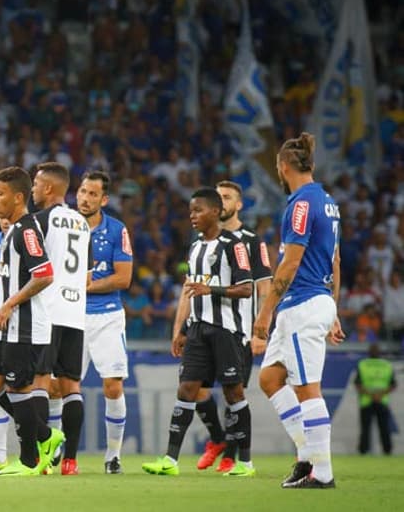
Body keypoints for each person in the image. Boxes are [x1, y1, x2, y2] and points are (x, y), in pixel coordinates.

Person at [142, 188, 254, 477]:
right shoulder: (194, 248)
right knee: (187, 389)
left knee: (233, 392)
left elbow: (246, 288)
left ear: (215, 212)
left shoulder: (235, 244)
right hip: (197, 329)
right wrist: (180, 329)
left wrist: (211, 289)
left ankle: (245, 462)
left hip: (226, 330)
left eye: (198, 210)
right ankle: (170, 460)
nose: (192, 216)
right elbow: (190, 290)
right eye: (190, 211)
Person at [254, 132, 344, 489]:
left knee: (308, 389)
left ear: (283, 167)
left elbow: (290, 264)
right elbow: (335, 260)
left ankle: (322, 474)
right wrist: (333, 308)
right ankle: (307, 457)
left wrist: (264, 313)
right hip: (315, 300)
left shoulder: (301, 204)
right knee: (270, 379)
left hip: (302, 304)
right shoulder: (328, 202)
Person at [0, 166, 64, 476]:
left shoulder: (28, 230)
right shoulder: (12, 230)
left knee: (19, 389)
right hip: (8, 326)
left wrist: (10, 303)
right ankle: (46, 435)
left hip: (25, 325)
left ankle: (29, 461)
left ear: (18, 198)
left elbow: (44, 274)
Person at [194, 180, 273, 473]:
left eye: (227, 197)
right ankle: (217, 440)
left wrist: (260, 330)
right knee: (198, 390)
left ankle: (230, 455)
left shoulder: (252, 241)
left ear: (238, 205)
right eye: (218, 197)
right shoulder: (203, 239)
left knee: (233, 394)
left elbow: (265, 286)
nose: (222, 202)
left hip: (238, 330)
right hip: (203, 327)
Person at [30, 162, 91, 475]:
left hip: (49, 310)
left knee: (40, 381)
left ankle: (42, 456)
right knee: (71, 384)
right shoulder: (81, 222)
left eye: (37, 184)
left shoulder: (42, 220)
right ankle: (71, 460)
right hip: (75, 311)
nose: (33, 189)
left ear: (50, 188)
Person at [76, 171, 133, 474]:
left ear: (104, 199)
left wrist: (86, 287)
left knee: (112, 387)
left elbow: (124, 278)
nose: (85, 198)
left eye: (92, 194)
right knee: (62, 388)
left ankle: (113, 456)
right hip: (71, 316)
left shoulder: (116, 229)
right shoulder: (65, 226)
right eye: (82, 192)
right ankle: (62, 452)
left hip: (107, 315)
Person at [355, 343, 396, 455]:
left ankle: (363, 451)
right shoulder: (386, 365)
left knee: (366, 428)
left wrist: (371, 394)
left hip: (366, 400)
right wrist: (380, 395)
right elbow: (393, 384)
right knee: (383, 428)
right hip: (381, 400)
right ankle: (387, 451)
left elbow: (357, 384)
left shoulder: (363, 364)